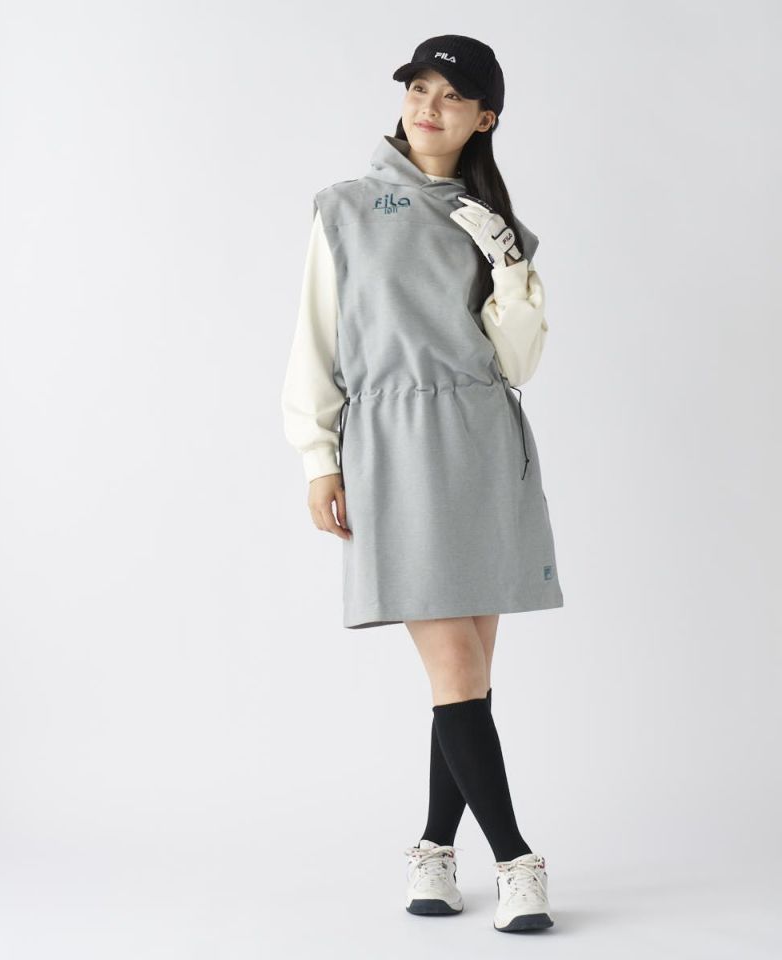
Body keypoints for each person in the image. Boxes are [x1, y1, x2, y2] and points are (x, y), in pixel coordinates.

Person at [281, 34, 563, 934]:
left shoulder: (492, 222)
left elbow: (517, 362)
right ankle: (515, 860)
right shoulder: (346, 207)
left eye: (451, 96)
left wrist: (509, 265)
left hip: (483, 445)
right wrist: (319, 457)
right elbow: (315, 340)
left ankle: (435, 851)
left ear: (485, 118)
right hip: (394, 447)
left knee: (469, 675)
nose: (427, 106)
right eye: (418, 88)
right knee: (457, 669)